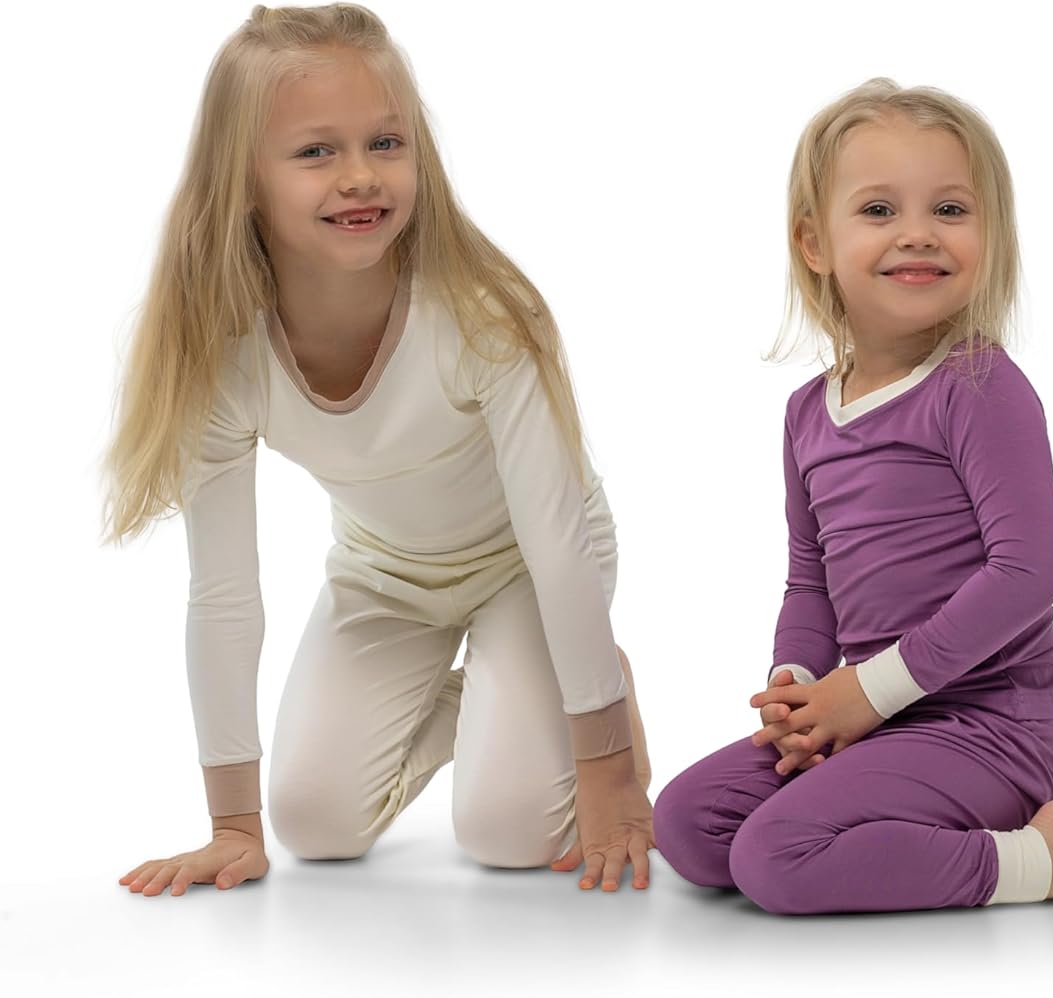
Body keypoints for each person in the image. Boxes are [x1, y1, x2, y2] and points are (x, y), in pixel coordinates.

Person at [104, 3, 652, 898]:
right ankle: (506, 704)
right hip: (386, 572)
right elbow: (224, 594)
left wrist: (609, 765)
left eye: (385, 143)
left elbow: (556, 544)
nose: (360, 176)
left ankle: (588, 683)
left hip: (531, 564)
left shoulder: (483, 317)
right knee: (313, 823)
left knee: (509, 832)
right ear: (244, 179)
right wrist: (233, 824)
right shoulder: (225, 352)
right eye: (316, 151)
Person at [652, 78, 1053, 914]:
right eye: (878, 210)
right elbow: (809, 579)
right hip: (877, 716)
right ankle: (884, 821)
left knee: (775, 859)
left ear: (990, 235)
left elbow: (1025, 575)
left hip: (992, 727)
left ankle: (1051, 861)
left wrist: (864, 695)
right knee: (690, 827)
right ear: (814, 242)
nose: (918, 234)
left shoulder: (978, 387)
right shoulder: (806, 413)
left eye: (950, 210)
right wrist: (799, 687)